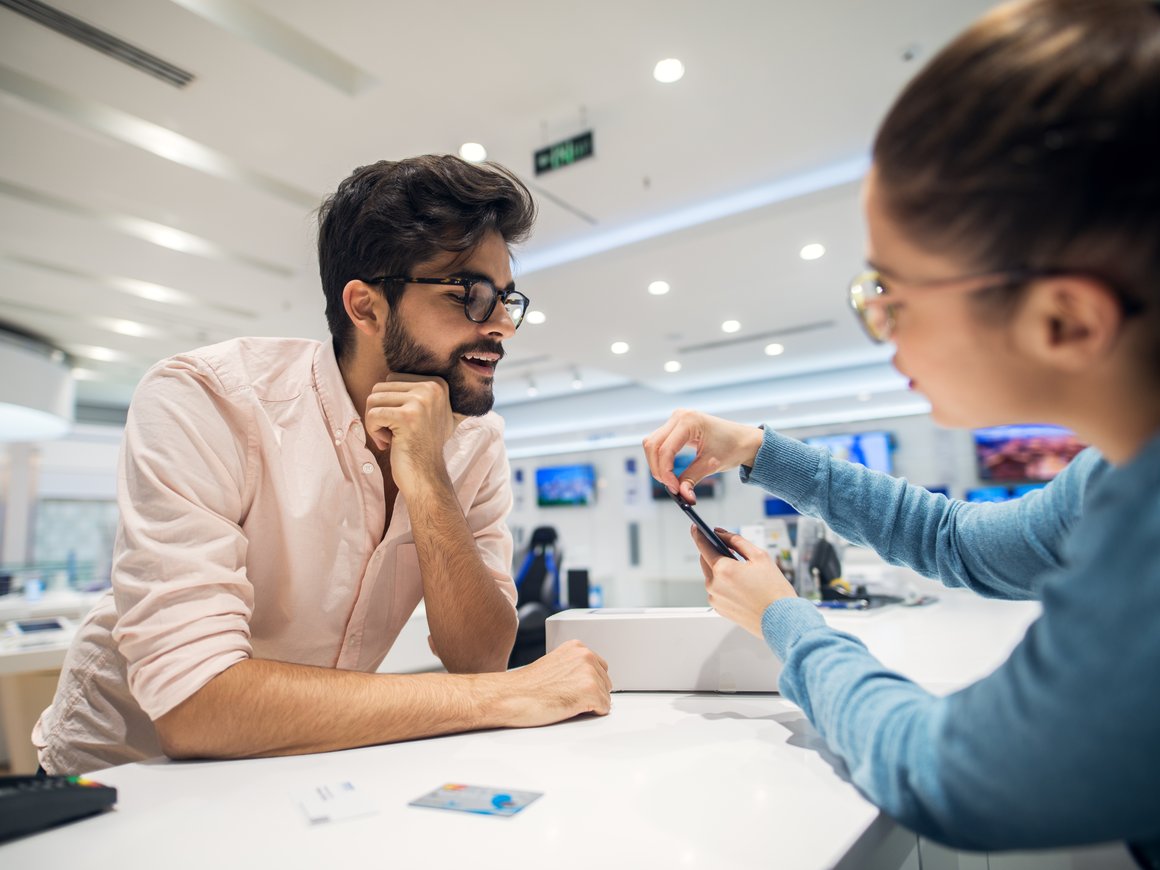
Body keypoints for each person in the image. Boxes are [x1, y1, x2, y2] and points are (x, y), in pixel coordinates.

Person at [644, 0, 1159, 863]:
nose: (880, 326)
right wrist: (756, 449)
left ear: (1064, 320)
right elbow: (955, 540)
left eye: (892, 295)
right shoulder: (1118, 472)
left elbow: (948, 772)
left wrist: (785, 622)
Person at [34, 155, 611, 775]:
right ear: (366, 307)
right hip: (122, 778)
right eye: (468, 295)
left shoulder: (475, 440)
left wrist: (427, 477)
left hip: (299, 767)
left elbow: (480, 656)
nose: (503, 326)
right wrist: (499, 698)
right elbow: (195, 703)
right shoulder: (208, 399)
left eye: (505, 298)